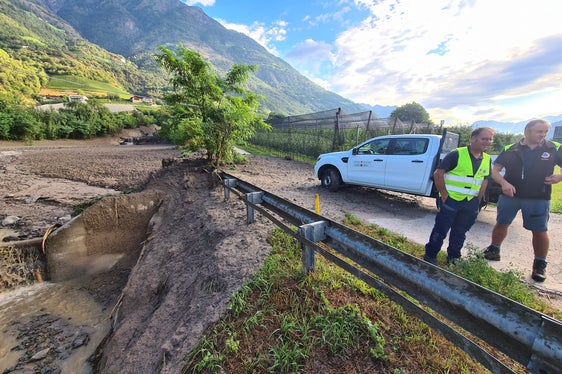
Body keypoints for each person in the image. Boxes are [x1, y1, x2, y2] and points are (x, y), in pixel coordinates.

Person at [483, 119, 562, 282]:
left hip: (538, 197)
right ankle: (494, 249)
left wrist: (560, 177)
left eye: (545, 132)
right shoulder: (510, 149)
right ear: (527, 132)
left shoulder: (554, 148)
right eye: (539, 131)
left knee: (539, 230)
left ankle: (539, 264)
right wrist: (504, 183)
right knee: (502, 223)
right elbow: (495, 171)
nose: (543, 135)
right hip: (510, 195)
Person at [424, 127, 495, 265]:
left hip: (470, 202)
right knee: (441, 230)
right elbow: (438, 173)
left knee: (460, 232)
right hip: (451, 200)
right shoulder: (457, 154)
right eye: (484, 138)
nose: (487, 142)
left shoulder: (486, 159)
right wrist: (444, 194)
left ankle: (454, 258)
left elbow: (485, 180)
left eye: (490, 139)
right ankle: (430, 255)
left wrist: (478, 200)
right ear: (473, 139)